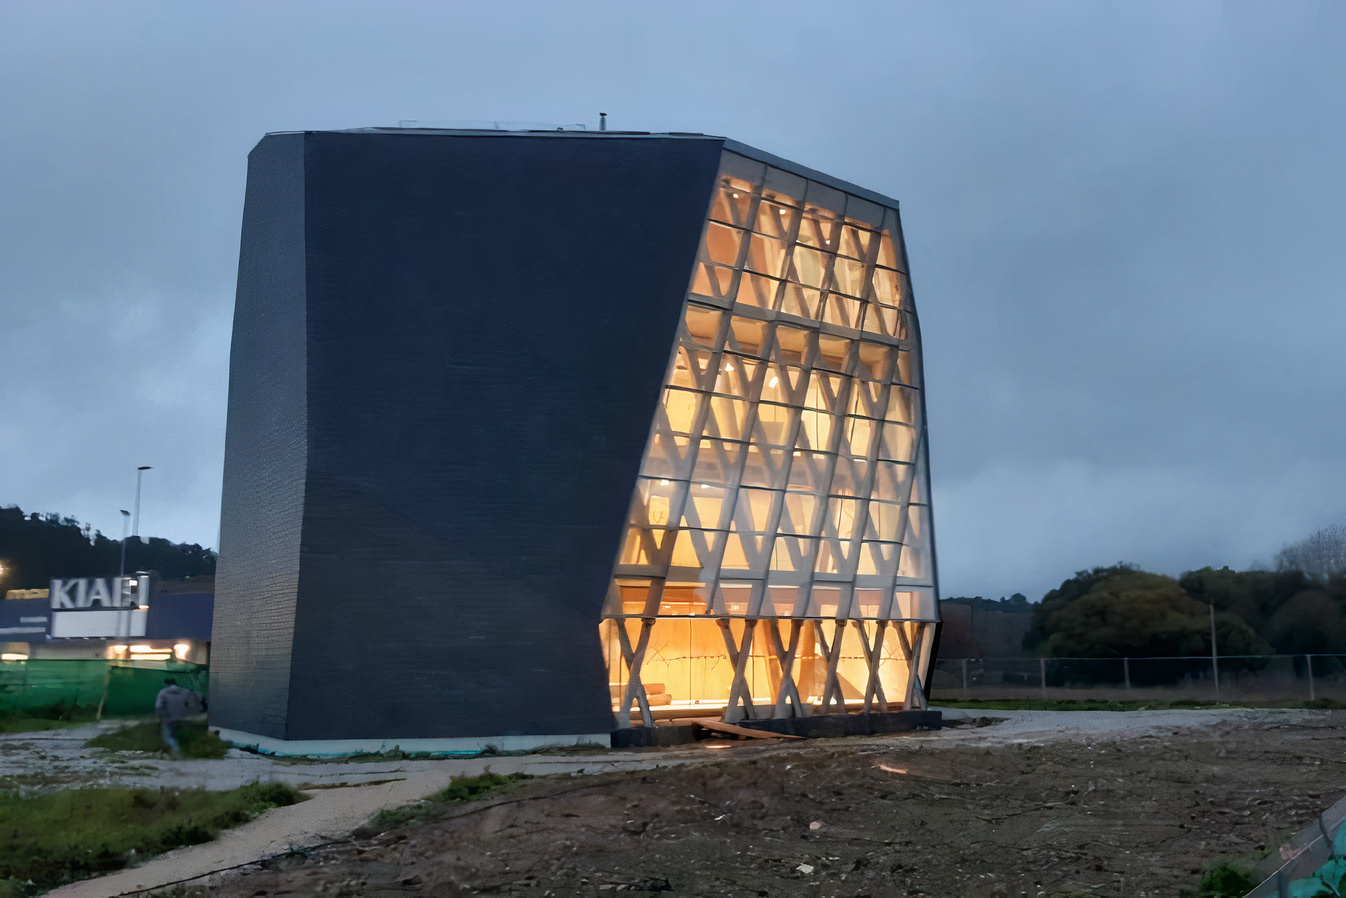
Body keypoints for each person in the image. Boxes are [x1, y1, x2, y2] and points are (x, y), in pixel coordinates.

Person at [154, 677, 205, 757]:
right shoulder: (186, 691)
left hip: (169, 719)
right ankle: (187, 751)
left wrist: (163, 717)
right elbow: (193, 705)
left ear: (166, 684)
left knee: (168, 737)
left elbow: (158, 706)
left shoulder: (163, 693)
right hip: (184, 719)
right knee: (183, 736)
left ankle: (177, 751)